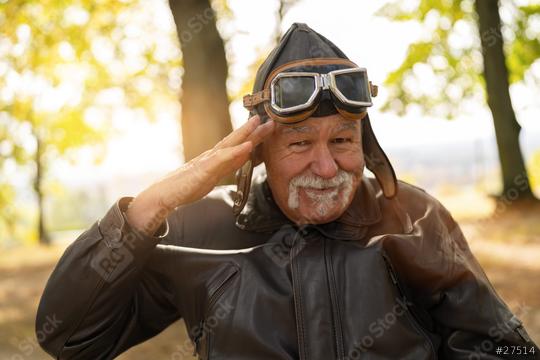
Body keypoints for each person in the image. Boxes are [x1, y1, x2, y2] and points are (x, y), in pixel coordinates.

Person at [36, 23, 538, 360]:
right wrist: (152, 204)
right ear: (256, 150)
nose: (326, 166)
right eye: (299, 144)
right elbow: (68, 337)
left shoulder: (411, 216)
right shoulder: (202, 230)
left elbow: (503, 348)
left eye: (342, 140)